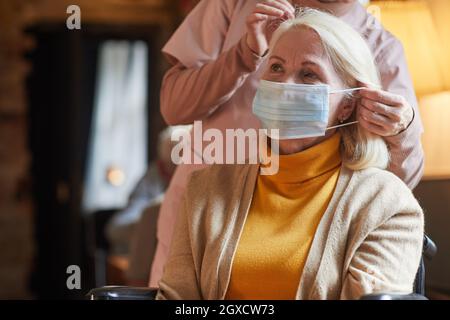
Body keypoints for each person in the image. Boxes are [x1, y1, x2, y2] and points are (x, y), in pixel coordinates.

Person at [150, 0, 424, 287]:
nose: (284, 86)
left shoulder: (383, 47)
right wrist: (245, 54)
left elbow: (398, 184)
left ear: (348, 106)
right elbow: (173, 107)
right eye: (276, 67)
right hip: (207, 220)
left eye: (309, 75)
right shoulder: (235, 5)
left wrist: (401, 130)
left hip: (313, 217)